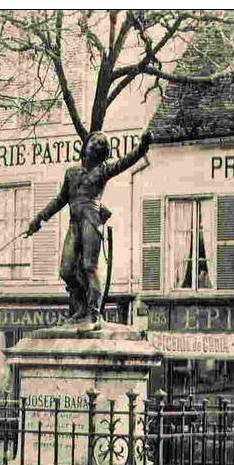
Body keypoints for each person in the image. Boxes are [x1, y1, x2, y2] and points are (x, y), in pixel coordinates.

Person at [27, 129, 152, 323]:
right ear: (85, 146)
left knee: (89, 266)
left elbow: (125, 162)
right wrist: (39, 219)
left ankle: (94, 312)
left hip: (91, 220)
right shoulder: (71, 173)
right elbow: (60, 200)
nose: (98, 144)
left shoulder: (103, 170)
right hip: (74, 223)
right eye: (95, 140)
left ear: (105, 152)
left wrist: (142, 147)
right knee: (66, 270)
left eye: (103, 143)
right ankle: (81, 306)